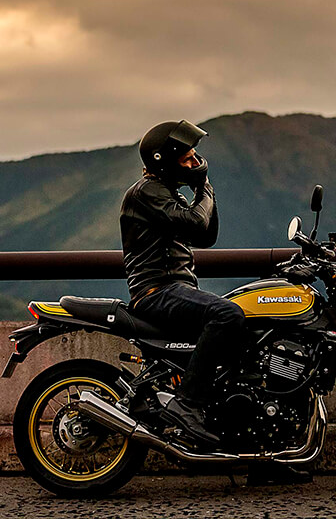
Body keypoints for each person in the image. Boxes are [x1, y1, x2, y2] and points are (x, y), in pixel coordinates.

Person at [119, 119, 245, 447]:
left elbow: (206, 235)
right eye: (188, 159)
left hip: (176, 291)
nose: (196, 163)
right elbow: (196, 220)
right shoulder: (147, 192)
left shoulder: (166, 193)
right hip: (157, 291)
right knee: (228, 315)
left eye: (196, 158)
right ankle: (187, 405)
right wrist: (206, 188)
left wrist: (202, 187)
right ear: (165, 160)